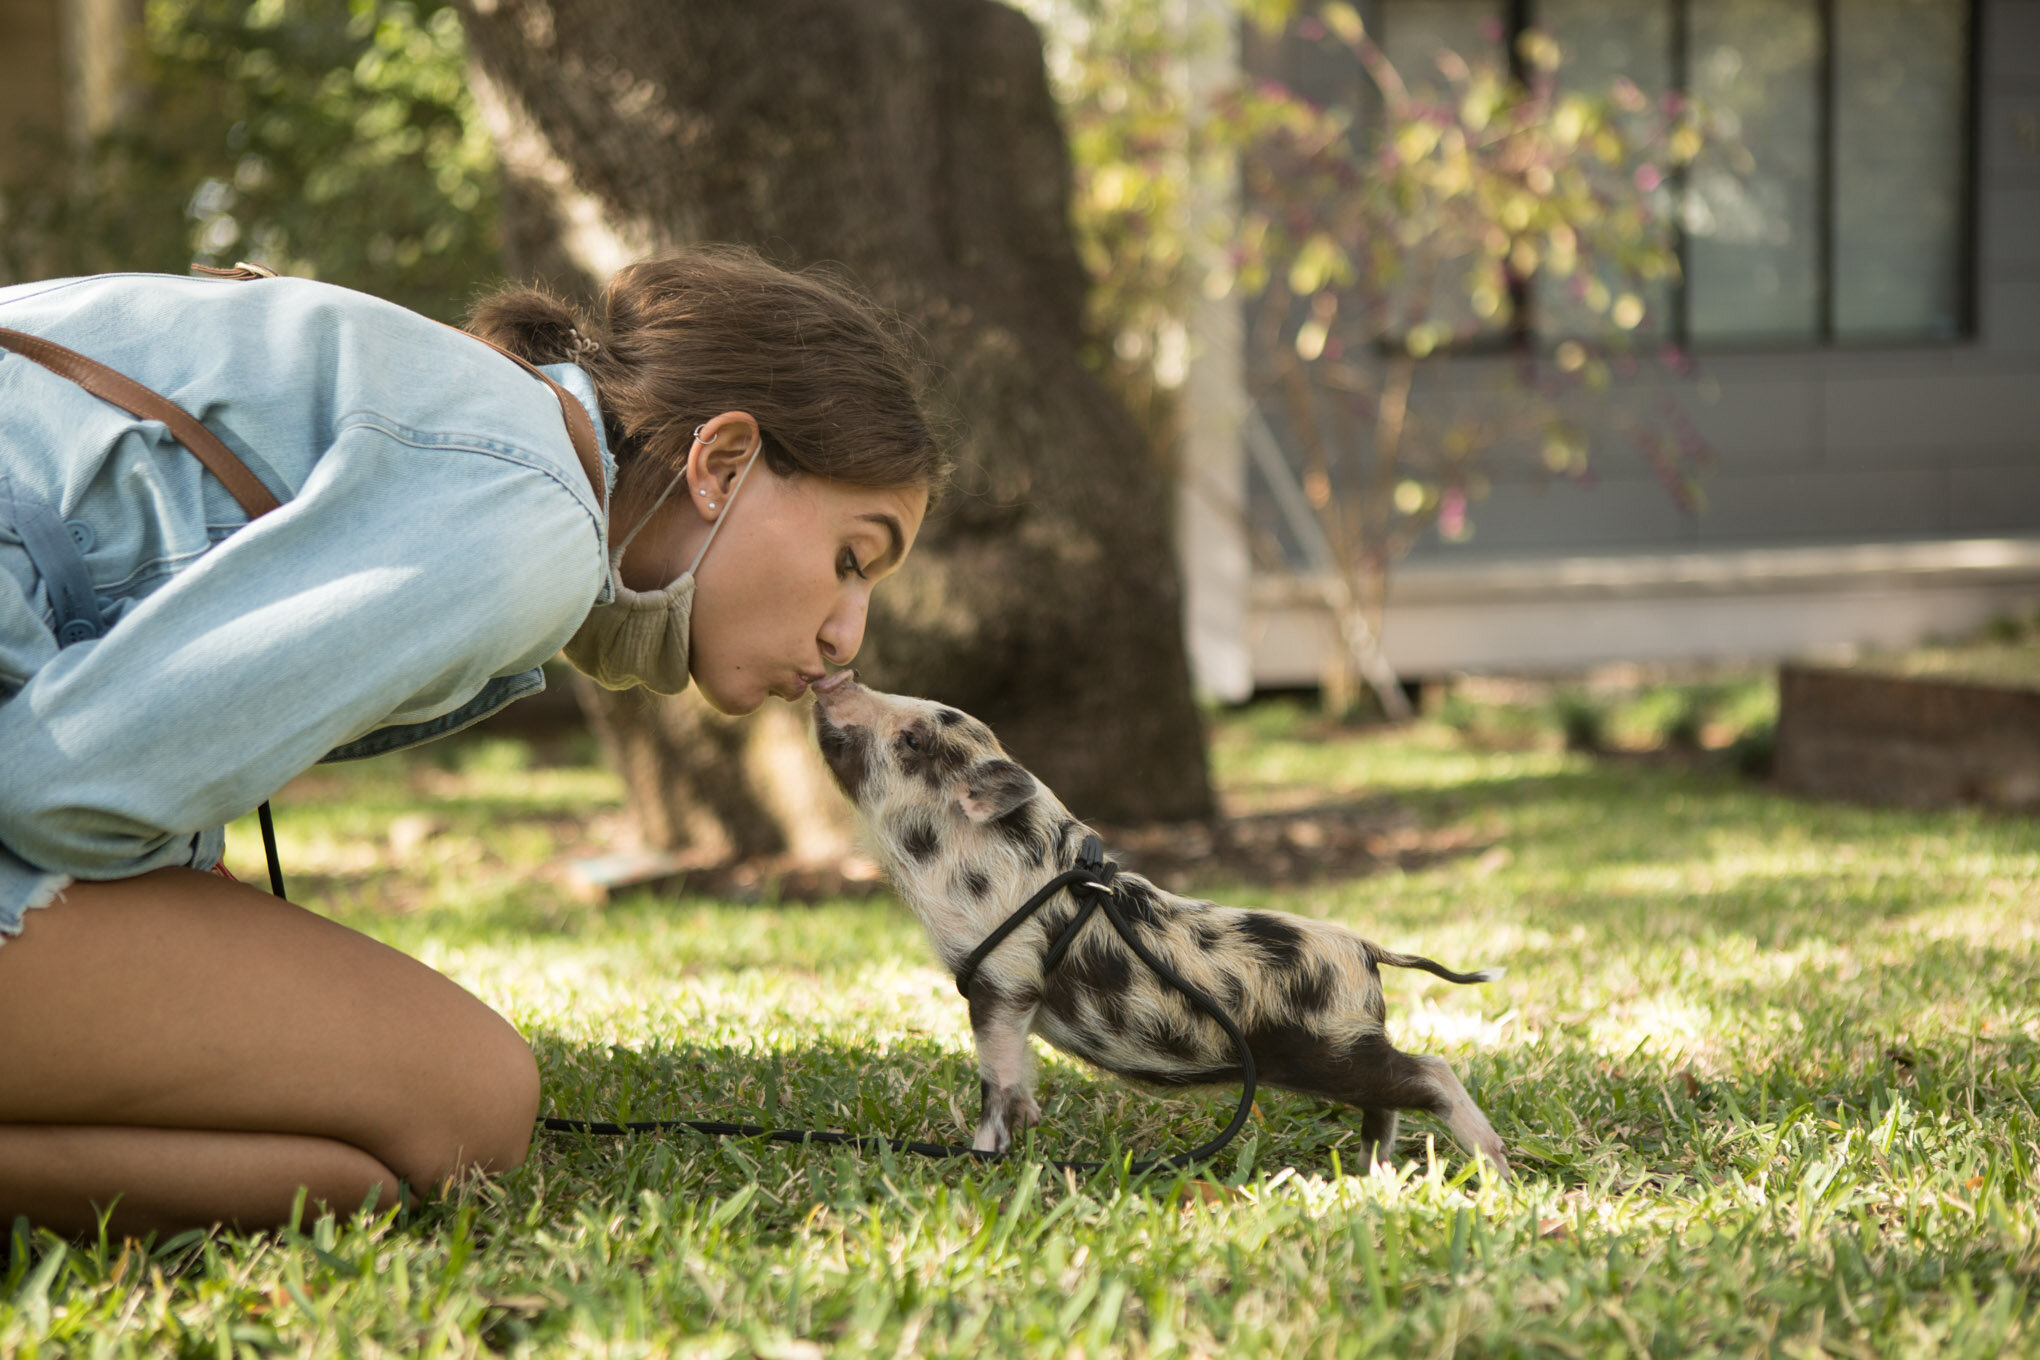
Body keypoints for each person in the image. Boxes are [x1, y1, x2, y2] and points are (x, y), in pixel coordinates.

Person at [0, 246, 947, 1237]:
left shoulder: (479, 413)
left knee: (364, 1148)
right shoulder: (531, 519)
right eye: (852, 557)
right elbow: (58, 789)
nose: (848, 637)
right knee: (466, 1103)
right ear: (719, 462)